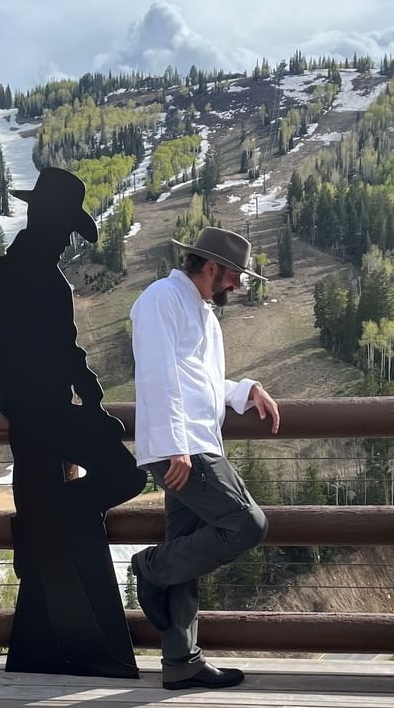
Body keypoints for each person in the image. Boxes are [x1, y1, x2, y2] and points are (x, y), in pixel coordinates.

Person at [0, 166, 146, 675]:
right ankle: (49, 516)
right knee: (125, 474)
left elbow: (60, 350)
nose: (66, 240)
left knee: (99, 483)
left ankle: (45, 517)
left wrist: (91, 397)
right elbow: (44, 352)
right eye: (64, 228)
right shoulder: (36, 280)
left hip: (36, 410)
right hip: (40, 413)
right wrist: (85, 402)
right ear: (46, 220)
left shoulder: (12, 276)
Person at [129, 226, 280, 691]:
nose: (236, 285)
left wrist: (245, 390)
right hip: (185, 447)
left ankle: (181, 663)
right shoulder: (162, 298)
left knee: (188, 549)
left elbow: (201, 380)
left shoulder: (202, 313)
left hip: (194, 443)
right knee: (246, 524)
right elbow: (157, 373)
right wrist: (176, 442)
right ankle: (148, 567)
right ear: (211, 267)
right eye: (234, 275)